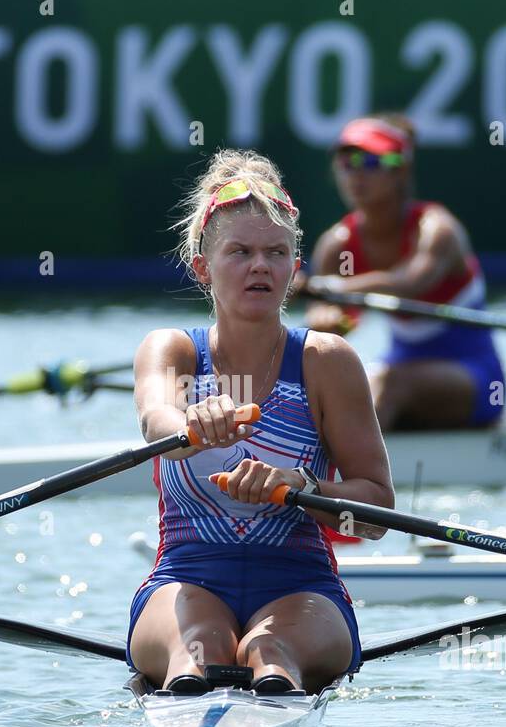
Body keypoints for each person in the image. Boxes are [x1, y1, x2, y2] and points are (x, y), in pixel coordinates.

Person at [128, 150, 395, 695]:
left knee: (270, 654)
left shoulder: (327, 361)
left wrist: (302, 488)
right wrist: (188, 425)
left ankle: (277, 694)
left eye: (277, 253)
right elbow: (156, 419)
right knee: (196, 650)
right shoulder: (172, 350)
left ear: (295, 269)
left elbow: (375, 515)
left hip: (302, 588)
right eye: (240, 252)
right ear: (203, 267)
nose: (260, 266)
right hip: (185, 577)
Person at [301, 114, 506, 430]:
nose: (356, 173)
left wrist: (330, 287)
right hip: (398, 371)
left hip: (473, 377)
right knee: (336, 390)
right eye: (347, 162)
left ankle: (349, 476)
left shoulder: (437, 230)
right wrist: (327, 320)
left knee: (388, 383)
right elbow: (330, 321)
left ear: (401, 169)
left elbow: (412, 282)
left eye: (370, 161)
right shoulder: (335, 246)